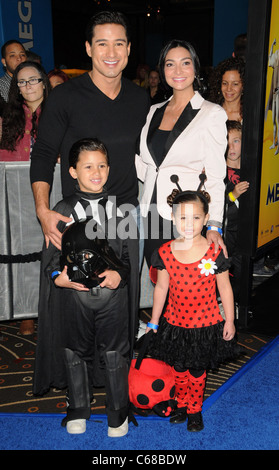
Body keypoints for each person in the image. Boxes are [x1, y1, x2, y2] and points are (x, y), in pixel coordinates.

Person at [33, 137, 137, 437]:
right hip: (74, 299)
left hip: (112, 299)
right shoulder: (62, 209)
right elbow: (50, 258)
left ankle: (118, 413)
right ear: (73, 171)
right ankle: (78, 408)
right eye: (88, 166)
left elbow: (128, 256)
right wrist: (58, 278)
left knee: (116, 353)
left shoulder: (120, 209)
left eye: (102, 165)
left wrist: (121, 274)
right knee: (74, 351)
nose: (96, 172)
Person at [30, 11, 149, 254]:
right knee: (82, 291)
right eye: (102, 44)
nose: (111, 53)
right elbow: (43, 154)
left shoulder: (140, 99)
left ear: (128, 48)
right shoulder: (64, 97)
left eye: (118, 44)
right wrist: (42, 211)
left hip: (127, 215)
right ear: (88, 48)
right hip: (80, 216)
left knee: (128, 291)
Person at [146, 187, 240, 432]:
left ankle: (194, 410)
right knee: (178, 366)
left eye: (196, 217)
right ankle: (180, 402)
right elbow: (161, 289)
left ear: (206, 219)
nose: (189, 224)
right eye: (183, 217)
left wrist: (229, 320)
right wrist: (154, 321)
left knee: (197, 368)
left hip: (205, 324)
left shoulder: (215, 252)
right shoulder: (164, 252)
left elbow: (225, 289)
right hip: (175, 323)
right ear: (173, 218)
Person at [136, 39, 228, 268]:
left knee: (184, 288)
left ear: (195, 68)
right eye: (170, 64)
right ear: (162, 69)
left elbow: (217, 176)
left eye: (185, 63)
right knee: (159, 281)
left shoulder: (211, 113)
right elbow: (147, 164)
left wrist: (214, 225)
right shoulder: (153, 111)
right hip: (150, 212)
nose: (177, 71)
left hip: (186, 217)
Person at [0, 61, 51, 161]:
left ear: (44, 83)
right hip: (10, 175)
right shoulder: (7, 117)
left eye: (33, 80)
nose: (28, 86)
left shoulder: (58, 114)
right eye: (22, 82)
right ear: (18, 89)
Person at [223, 120, 249, 302]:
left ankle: (238, 303)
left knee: (241, 269)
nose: (231, 147)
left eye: (237, 141)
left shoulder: (250, 168)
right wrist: (232, 195)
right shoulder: (218, 170)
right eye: (227, 141)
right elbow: (213, 204)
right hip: (226, 231)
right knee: (224, 268)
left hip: (244, 230)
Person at [208, 57, 245, 122]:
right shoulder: (210, 111)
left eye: (235, 84)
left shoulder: (250, 114)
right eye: (225, 83)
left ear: (243, 85)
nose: (229, 89)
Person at [265, 38, 279, 155]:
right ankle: (275, 143)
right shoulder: (276, 56)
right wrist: (272, 46)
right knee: (273, 120)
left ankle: (276, 144)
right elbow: (270, 61)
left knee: (277, 121)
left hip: (277, 94)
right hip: (274, 93)